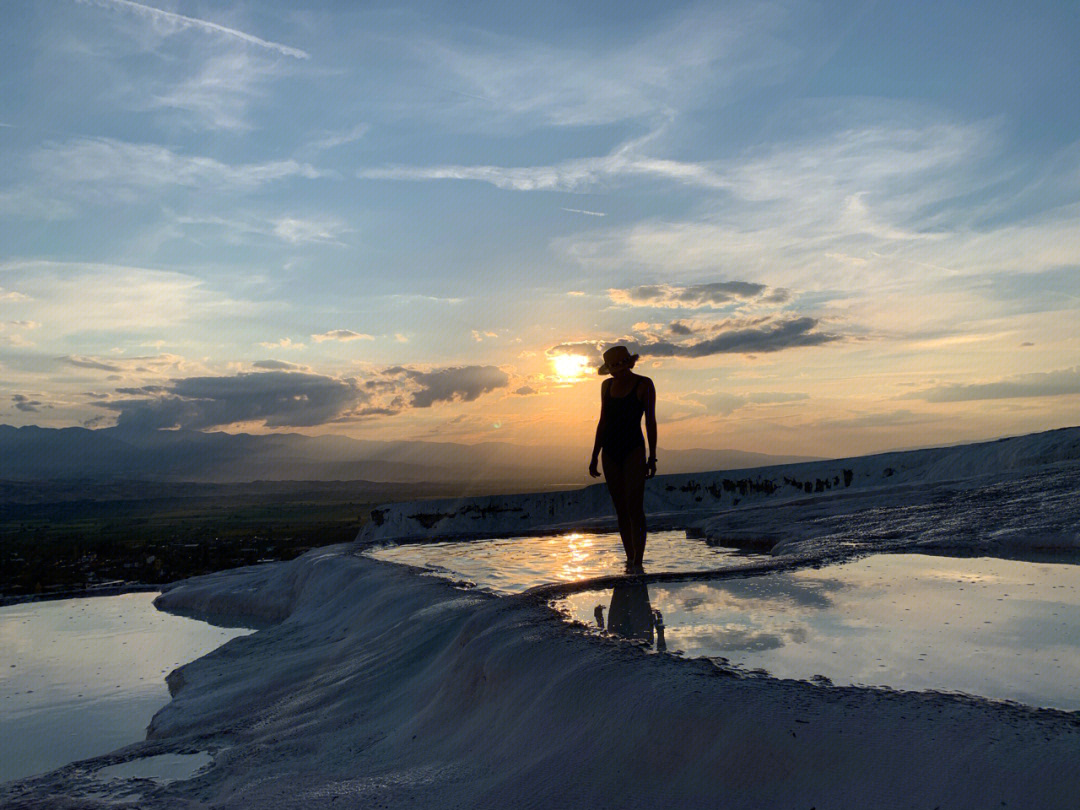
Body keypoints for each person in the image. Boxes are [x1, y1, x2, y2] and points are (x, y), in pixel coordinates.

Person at [589, 345, 657, 573]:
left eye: (615, 368)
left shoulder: (644, 384)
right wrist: (594, 454)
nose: (612, 373)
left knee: (634, 506)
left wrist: (652, 456)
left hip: (634, 449)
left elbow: (650, 422)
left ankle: (639, 560)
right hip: (609, 450)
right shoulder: (606, 386)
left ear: (627, 364)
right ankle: (630, 559)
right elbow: (603, 421)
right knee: (620, 508)